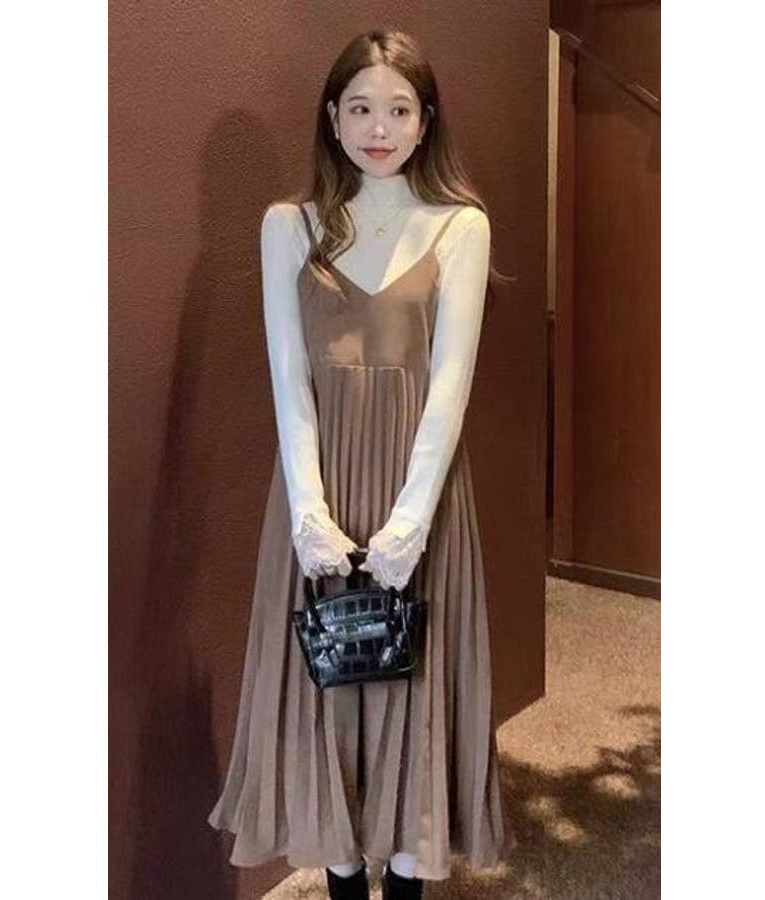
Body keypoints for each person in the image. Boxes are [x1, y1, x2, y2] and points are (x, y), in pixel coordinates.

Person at [207, 29, 517, 899]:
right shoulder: (289, 226)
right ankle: (343, 876)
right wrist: (309, 512)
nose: (379, 128)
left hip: (420, 493)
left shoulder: (460, 226)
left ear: (426, 120)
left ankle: (408, 878)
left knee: (416, 685)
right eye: (361, 108)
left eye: (399, 109)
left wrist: (411, 524)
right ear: (332, 116)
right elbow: (289, 379)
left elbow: (450, 385)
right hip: (322, 492)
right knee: (327, 690)